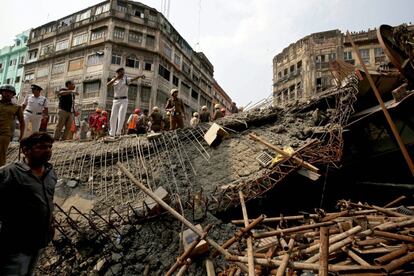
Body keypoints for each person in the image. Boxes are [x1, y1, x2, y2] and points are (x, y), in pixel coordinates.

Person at [0, 132, 56, 275]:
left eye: (49, 147)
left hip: (39, 242)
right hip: (16, 245)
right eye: (41, 147)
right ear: (26, 150)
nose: (48, 150)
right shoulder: (10, 173)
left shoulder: (50, 173)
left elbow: (48, 200)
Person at [106, 68, 144, 137]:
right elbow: (107, 85)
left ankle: (118, 133)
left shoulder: (126, 79)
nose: (123, 74)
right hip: (115, 100)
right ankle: (112, 133)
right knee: (112, 117)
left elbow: (132, 79)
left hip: (123, 100)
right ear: (118, 73)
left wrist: (139, 76)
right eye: (121, 73)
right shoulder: (114, 80)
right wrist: (115, 79)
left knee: (121, 116)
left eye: (123, 73)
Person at [0, 85, 25, 166]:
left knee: (1, 156)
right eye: (5, 91)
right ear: (1, 92)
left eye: (10, 92)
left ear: (13, 95)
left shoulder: (17, 107)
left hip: (4, 134)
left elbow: (22, 122)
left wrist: (21, 136)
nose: (8, 94)